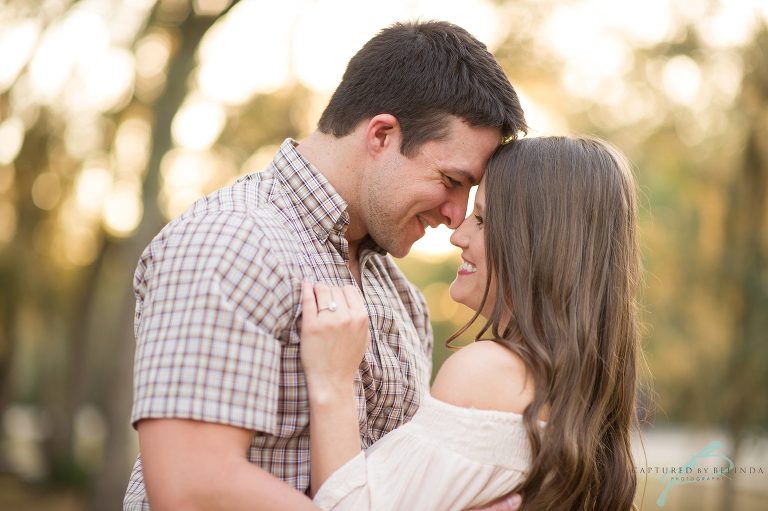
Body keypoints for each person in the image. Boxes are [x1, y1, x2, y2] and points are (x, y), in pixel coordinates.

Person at [123, 20, 528, 511]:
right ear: (382, 134)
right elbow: (191, 485)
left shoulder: (401, 297)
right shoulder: (232, 242)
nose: (455, 215)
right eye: (450, 180)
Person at [300, 136, 641, 511]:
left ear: (536, 242)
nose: (458, 235)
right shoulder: (579, 390)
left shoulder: (488, 374)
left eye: (481, 219)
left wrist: (332, 383)